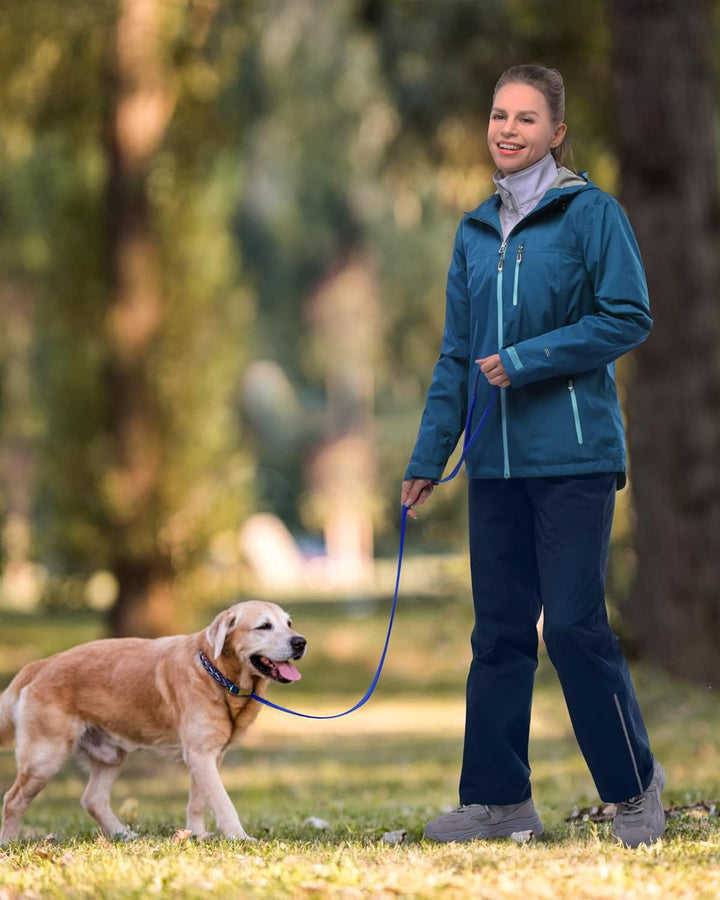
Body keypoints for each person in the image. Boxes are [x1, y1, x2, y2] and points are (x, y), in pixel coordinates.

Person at [401, 65, 665, 848]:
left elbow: (629, 315)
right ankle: (498, 802)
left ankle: (633, 789)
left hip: (574, 458)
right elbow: (456, 356)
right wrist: (428, 455)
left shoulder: (592, 214)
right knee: (499, 633)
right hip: (494, 464)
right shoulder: (475, 231)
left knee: (575, 627)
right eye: (498, 115)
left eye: (525, 118)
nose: (508, 129)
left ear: (556, 133)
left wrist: (526, 358)